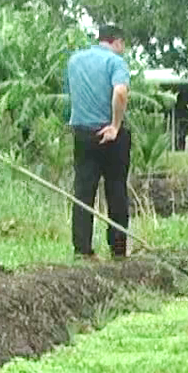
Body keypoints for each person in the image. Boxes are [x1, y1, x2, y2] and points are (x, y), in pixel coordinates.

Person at [65, 24, 132, 260]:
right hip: (110, 135)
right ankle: (118, 248)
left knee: (83, 192)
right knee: (116, 190)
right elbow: (120, 93)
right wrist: (115, 125)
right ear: (118, 42)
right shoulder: (116, 62)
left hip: (83, 133)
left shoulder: (74, 61)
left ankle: (82, 249)